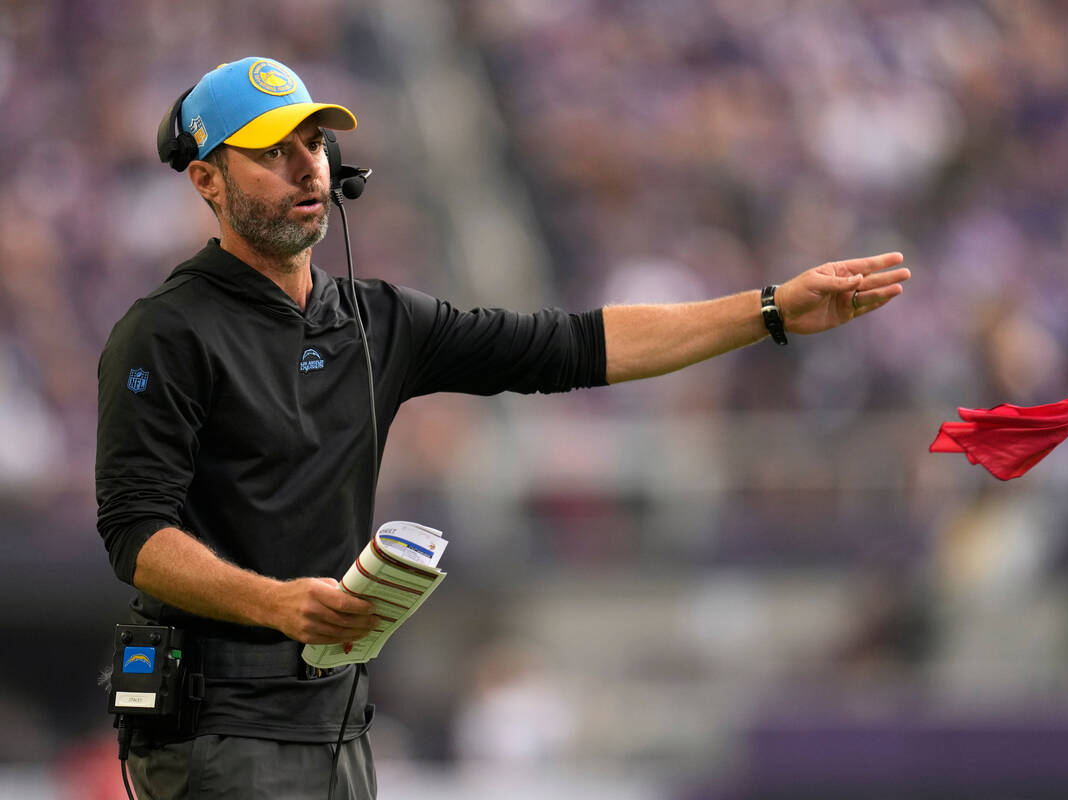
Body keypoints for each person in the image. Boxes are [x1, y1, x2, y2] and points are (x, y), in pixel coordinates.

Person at [96, 56, 909, 799]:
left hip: (336, 725)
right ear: (206, 179)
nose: (307, 164)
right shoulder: (168, 332)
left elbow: (575, 345)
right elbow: (136, 534)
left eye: (313, 142)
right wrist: (275, 603)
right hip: (215, 728)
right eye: (272, 150)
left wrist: (768, 310)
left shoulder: (377, 321)